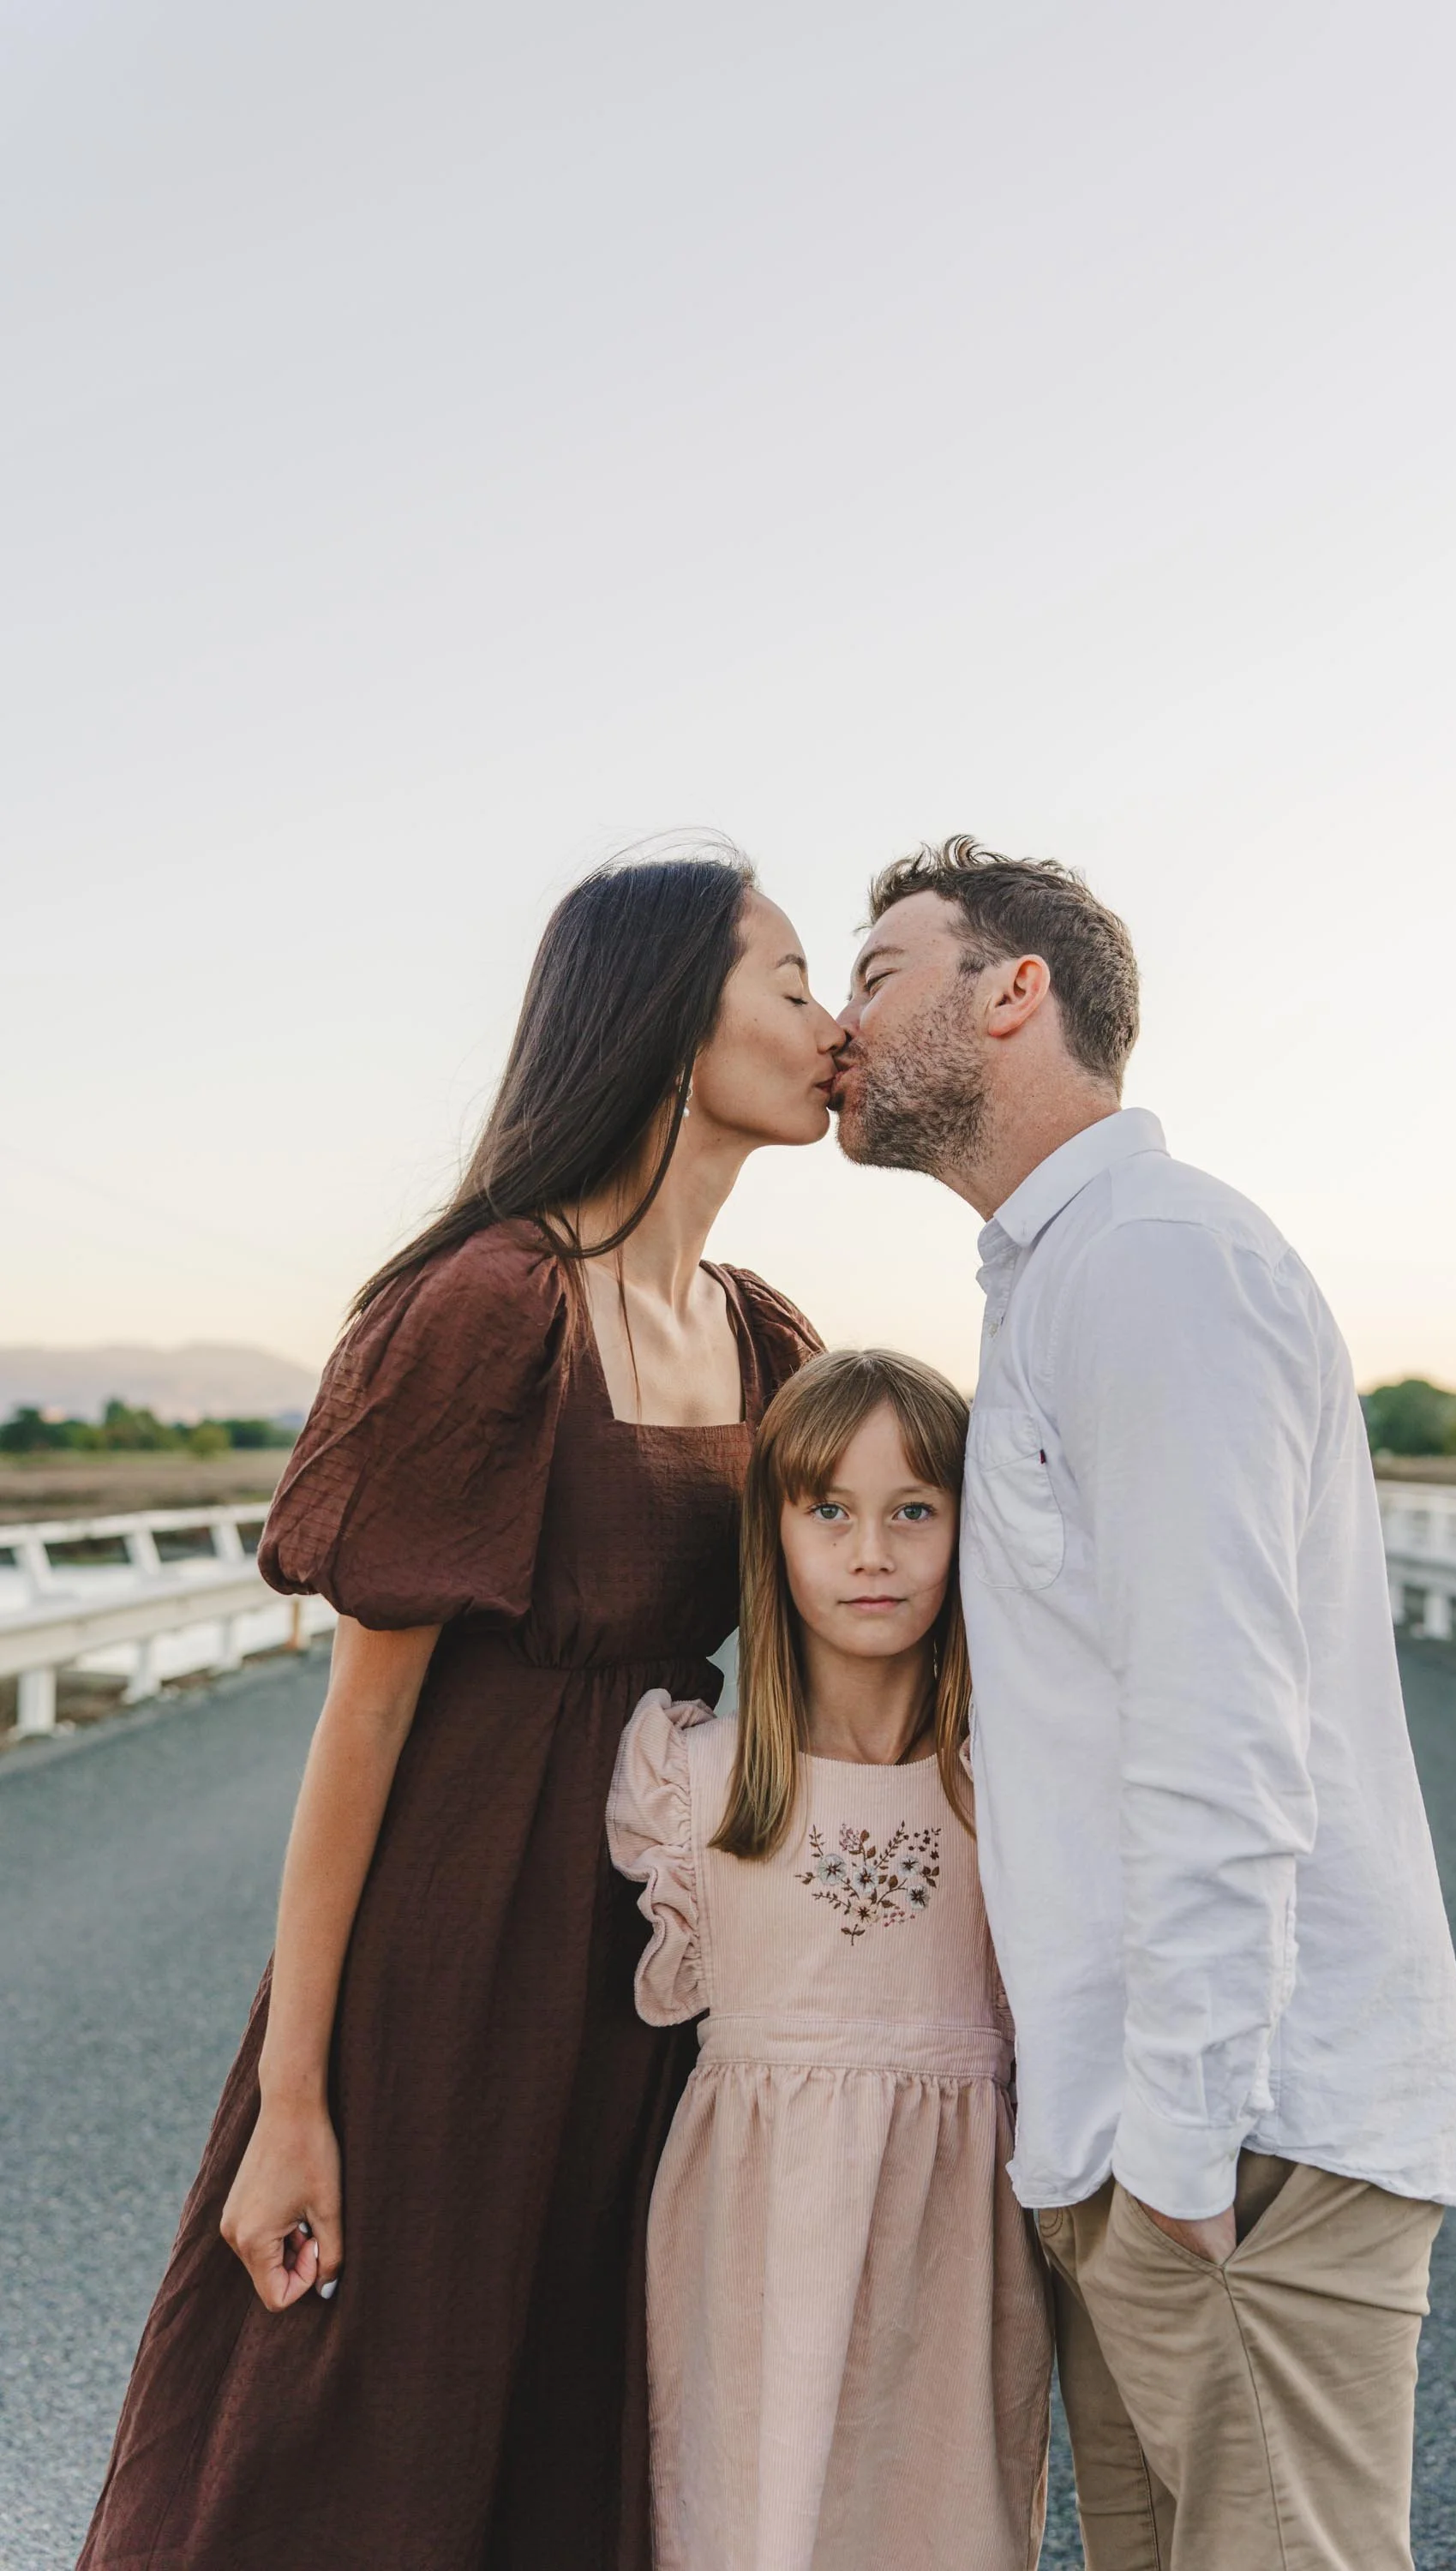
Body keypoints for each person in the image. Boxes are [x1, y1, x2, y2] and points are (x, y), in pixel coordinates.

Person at [80, 842, 842, 2571]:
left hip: (650, 1966)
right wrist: (293, 2102)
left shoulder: (762, 1335)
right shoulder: (489, 1307)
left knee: (572, 2432)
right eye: (790, 983)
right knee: (357, 2447)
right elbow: (359, 1731)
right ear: (663, 1023)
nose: (827, 1022)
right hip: (451, 1957)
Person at [833, 837, 1456, 2571]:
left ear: (1013, 992)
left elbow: (1219, 1737)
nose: (842, 1014)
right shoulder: (1058, 1278)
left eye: (882, 968)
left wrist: (1182, 2146)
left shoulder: (1155, 1265)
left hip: (1237, 2144)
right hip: (1143, 2141)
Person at [607, 1348, 1052, 2571]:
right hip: (750, 2242)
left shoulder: (1005, 1784)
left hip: (953, 2247)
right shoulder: (692, 1781)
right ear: (776, 1534)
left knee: (942, 2520)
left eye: (915, 1510)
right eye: (830, 1512)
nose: (874, 1552)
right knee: (748, 2522)